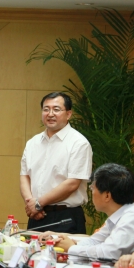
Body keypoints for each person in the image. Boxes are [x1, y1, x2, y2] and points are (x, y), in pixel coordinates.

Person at [38, 163, 134, 261]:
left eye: (92, 188)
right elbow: (95, 240)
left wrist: (71, 248)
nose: (91, 192)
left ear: (107, 195)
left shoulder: (133, 216)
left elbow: (108, 253)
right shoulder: (121, 213)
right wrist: (64, 241)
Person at [20, 92, 92, 234]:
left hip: (65, 217)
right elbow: (24, 176)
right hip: (36, 215)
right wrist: (31, 204)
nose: (50, 114)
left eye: (56, 109)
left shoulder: (78, 143)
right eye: (46, 109)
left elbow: (72, 183)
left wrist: (38, 203)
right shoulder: (33, 143)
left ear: (68, 114)